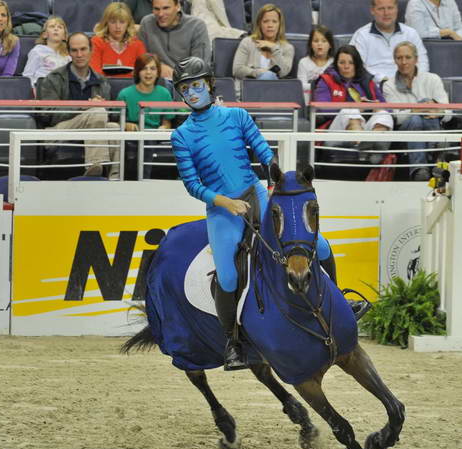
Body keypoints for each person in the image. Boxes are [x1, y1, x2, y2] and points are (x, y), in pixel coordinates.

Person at [170, 57, 335, 371]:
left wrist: (274, 183)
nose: (192, 93)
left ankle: (339, 300)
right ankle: (233, 343)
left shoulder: (237, 116)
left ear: (209, 85)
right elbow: (192, 184)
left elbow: (263, 152)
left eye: (196, 85)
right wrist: (224, 202)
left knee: (322, 246)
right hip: (222, 209)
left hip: (256, 194)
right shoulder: (182, 136)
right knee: (229, 276)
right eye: (185, 88)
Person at [38, 32, 120, 179]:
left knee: (114, 128)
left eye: (83, 49)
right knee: (97, 112)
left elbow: (110, 114)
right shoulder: (54, 78)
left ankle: (115, 177)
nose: (79, 54)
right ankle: (94, 168)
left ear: (91, 50)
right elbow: (47, 115)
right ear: (69, 52)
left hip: (92, 128)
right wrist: (83, 107)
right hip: (57, 131)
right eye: (74, 50)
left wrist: (101, 107)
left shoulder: (101, 81)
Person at [383, 41, 451, 180]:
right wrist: (415, 110)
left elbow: (449, 113)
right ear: (395, 60)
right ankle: (437, 154)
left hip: (432, 126)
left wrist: (438, 112)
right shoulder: (389, 85)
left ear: (416, 59)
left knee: (424, 108)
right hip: (404, 133)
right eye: (399, 58)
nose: (403, 62)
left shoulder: (433, 79)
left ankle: (420, 171)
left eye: (408, 57)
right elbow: (395, 118)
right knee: (416, 115)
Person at [313, 45, 394, 160]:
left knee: (383, 114)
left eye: (351, 63)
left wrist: (375, 107)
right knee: (349, 110)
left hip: (365, 127)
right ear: (336, 64)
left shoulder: (368, 82)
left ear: (357, 64)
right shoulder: (326, 80)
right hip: (335, 132)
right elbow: (322, 109)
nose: (346, 66)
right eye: (342, 63)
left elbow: (388, 109)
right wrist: (356, 107)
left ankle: (372, 146)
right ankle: (363, 142)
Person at [117, 53, 173, 178]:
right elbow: (116, 120)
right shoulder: (125, 94)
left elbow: (167, 121)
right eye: (144, 69)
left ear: (158, 72)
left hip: (155, 134)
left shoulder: (164, 93)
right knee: (144, 138)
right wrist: (126, 124)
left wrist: (163, 127)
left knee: (148, 138)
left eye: (152, 69)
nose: (148, 73)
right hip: (133, 135)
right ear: (137, 72)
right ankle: (141, 181)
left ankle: (143, 180)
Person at [350, 0, 429, 83]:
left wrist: (414, 79)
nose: (386, 13)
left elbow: (422, 62)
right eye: (381, 9)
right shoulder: (361, 35)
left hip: (409, 83)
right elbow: (357, 67)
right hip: (377, 87)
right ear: (372, 10)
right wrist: (384, 80)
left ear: (397, 9)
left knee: (434, 80)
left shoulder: (411, 33)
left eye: (390, 8)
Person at [137, 0, 211, 81]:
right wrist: (158, 67)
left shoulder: (196, 26)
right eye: (156, 9)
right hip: (154, 81)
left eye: (166, 8)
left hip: (187, 82)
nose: (160, 14)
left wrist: (175, 74)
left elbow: (200, 66)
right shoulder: (147, 23)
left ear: (178, 6)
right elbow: (140, 59)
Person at [232, 3, 294, 84]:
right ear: (259, 24)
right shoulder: (247, 42)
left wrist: (274, 48)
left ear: (280, 25)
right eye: (265, 21)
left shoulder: (288, 48)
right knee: (267, 76)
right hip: (248, 90)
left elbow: (283, 72)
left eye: (274, 21)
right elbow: (237, 70)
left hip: (273, 91)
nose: (270, 25)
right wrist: (258, 72)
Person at [90, 2, 146, 78]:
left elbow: (143, 71)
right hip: (104, 86)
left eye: (122, 22)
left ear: (128, 24)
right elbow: (94, 71)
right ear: (106, 23)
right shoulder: (97, 42)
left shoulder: (137, 44)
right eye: (113, 22)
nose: (118, 26)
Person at [22, 15, 71, 90]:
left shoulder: (68, 56)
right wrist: (33, 89)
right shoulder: (37, 51)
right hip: (42, 89)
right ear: (45, 34)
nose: (56, 29)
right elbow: (28, 75)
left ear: (64, 36)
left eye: (60, 27)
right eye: (52, 26)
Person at [297, 24, 335, 104]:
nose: (319, 44)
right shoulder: (303, 62)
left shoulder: (334, 63)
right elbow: (301, 87)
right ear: (311, 44)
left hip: (331, 101)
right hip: (308, 101)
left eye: (324, 41)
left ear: (330, 45)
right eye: (316, 41)